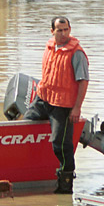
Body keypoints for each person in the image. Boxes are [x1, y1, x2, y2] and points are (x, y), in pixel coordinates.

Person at [23, 16, 89, 194]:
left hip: (63, 105)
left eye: (66, 29)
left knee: (61, 144)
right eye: (59, 30)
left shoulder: (77, 53)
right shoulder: (50, 46)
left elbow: (83, 82)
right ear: (52, 31)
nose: (63, 33)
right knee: (23, 126)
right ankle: (31, 171)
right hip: (42, 99)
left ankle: (65, 184)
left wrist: (76, 108)